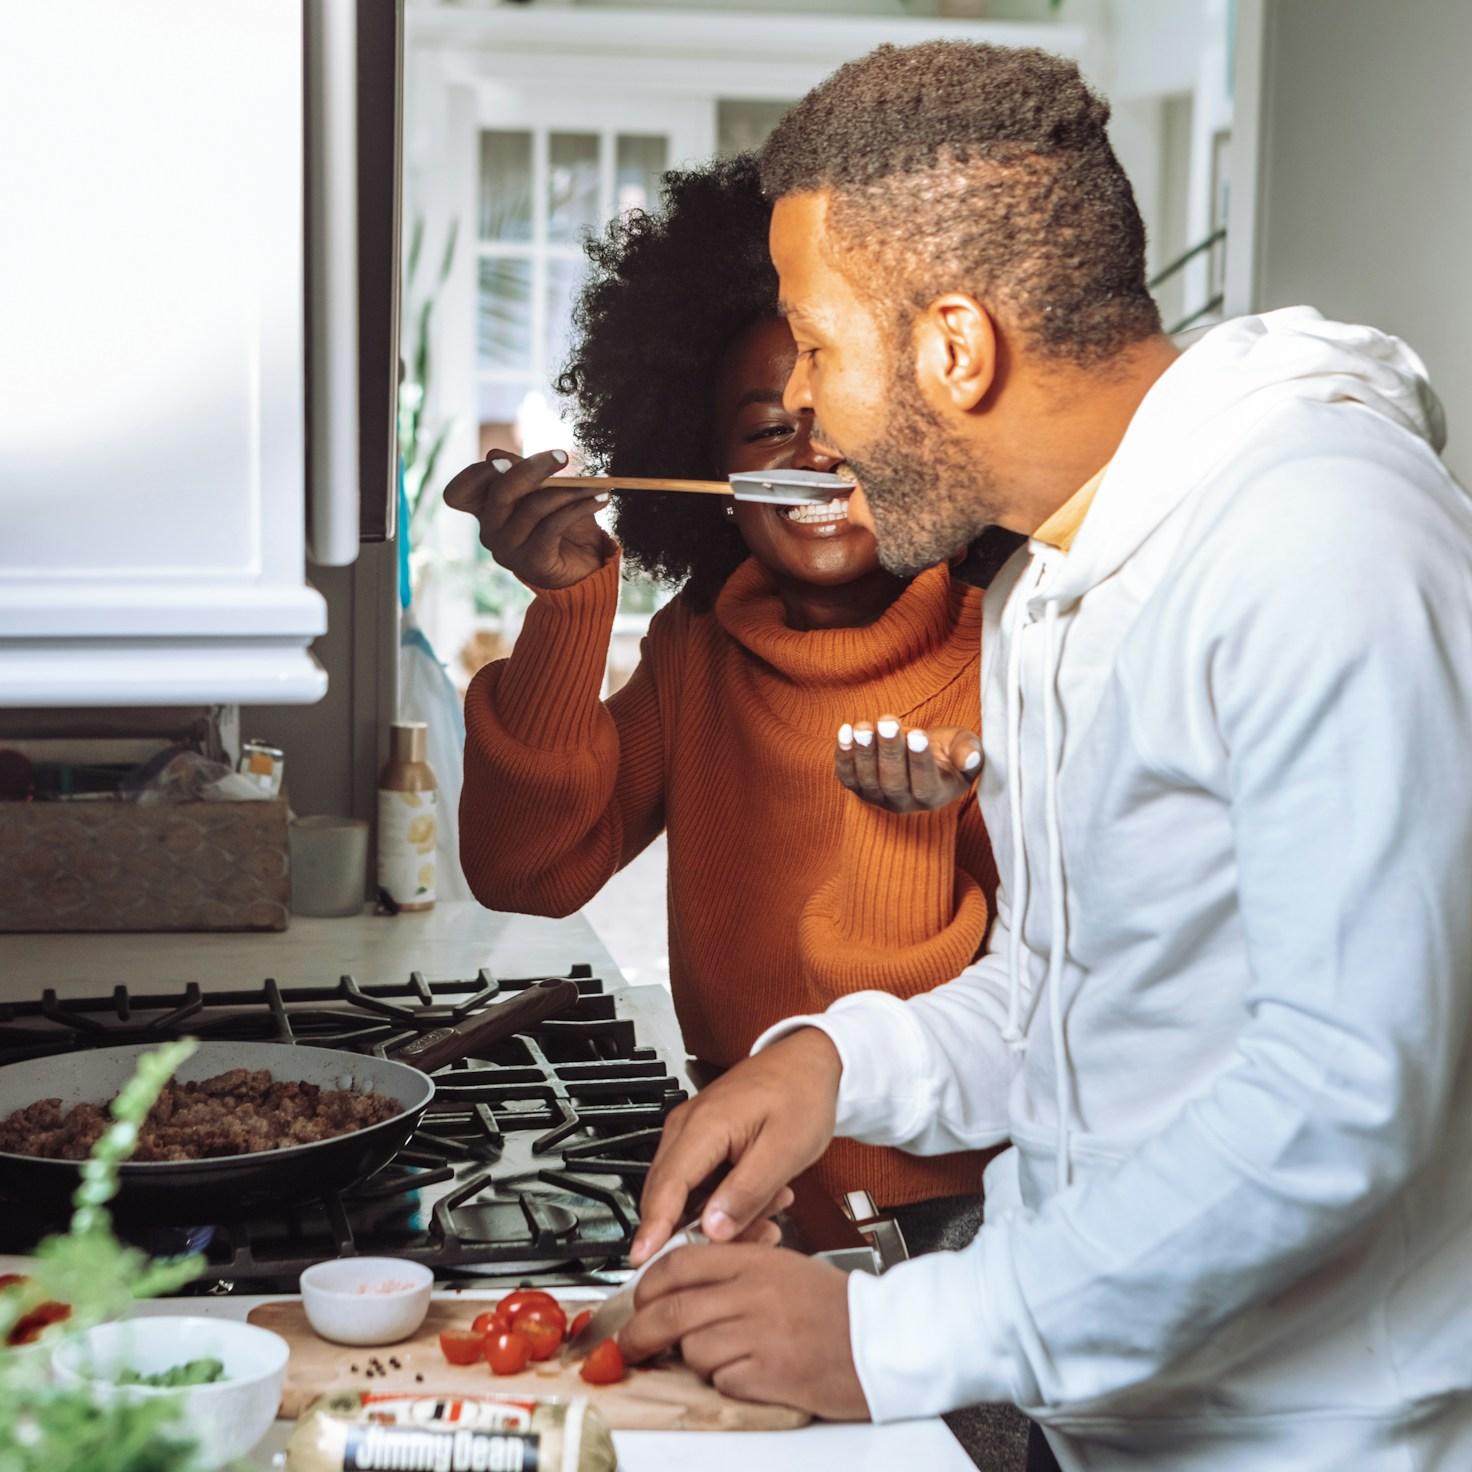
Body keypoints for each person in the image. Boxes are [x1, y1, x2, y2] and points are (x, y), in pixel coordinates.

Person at [620, 41, 1472, 1472]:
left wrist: (888, 1340)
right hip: (1121, 1420)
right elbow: (1081, 990)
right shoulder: (1052, 583)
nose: (806, 409)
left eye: (820, 344)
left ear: (955, 347)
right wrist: (833, 1064)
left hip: (1315, 1439)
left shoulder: (1324, 545)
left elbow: (1344, 1092)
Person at [444, 157, 1025, 1459]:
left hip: (951, 1267)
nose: (811, 452)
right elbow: (524, 870)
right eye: (765, 426)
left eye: (852, 407)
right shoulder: (704, 648)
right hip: (747, 1226)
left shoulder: (1015, 661)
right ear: (697, 465)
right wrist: (567, 606)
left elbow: (1019, 1026)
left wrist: (904, 839)